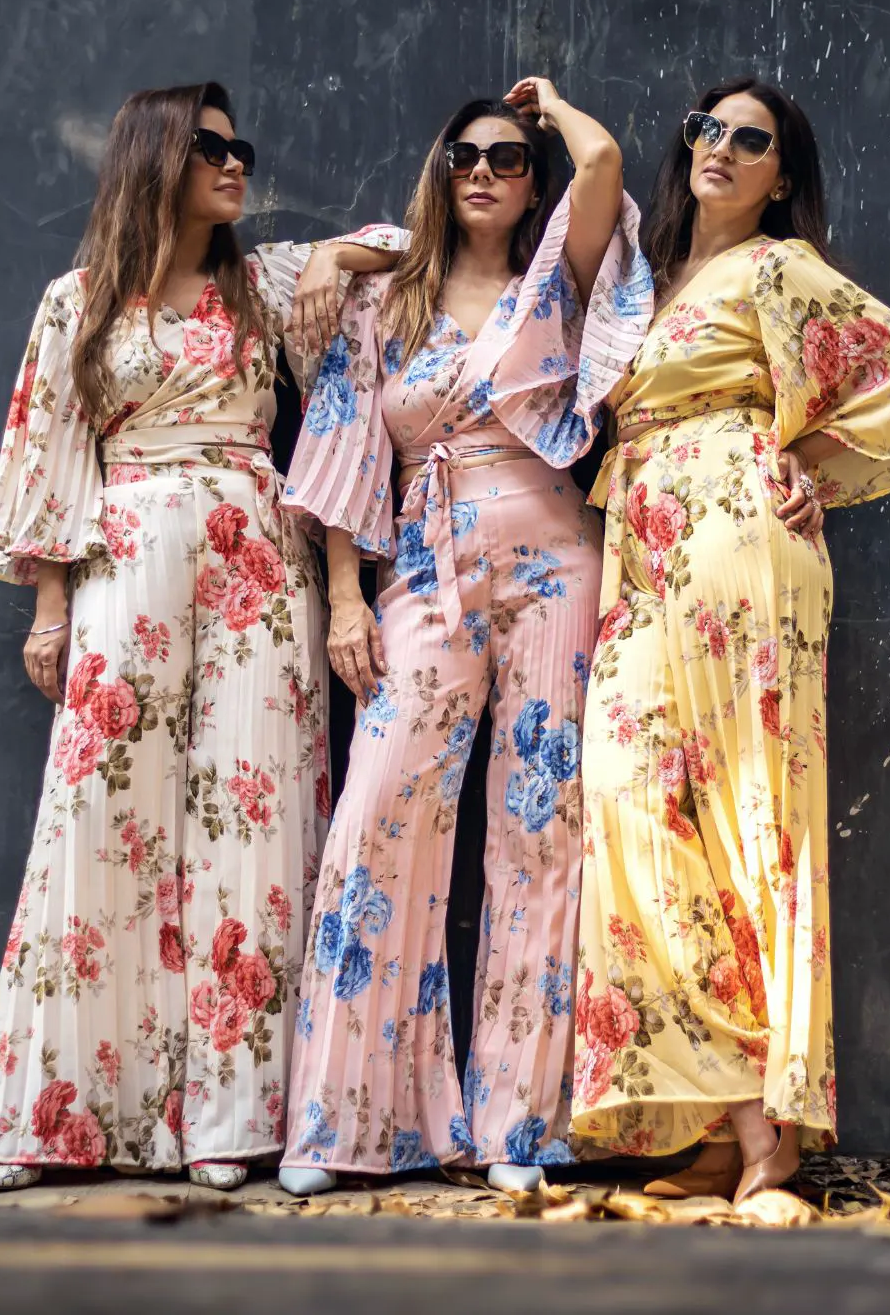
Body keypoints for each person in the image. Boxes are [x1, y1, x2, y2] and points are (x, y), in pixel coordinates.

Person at [0, 82, 399, 1191]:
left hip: (257, 560)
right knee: (98, 820)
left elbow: (402, 249)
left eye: (240, 145)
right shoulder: (79, 302)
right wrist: (50, 607)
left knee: (252, 814)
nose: (236, 162)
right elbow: (50, 451)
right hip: (124, 556)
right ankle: (52, 1117)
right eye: (211, 146)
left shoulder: (264, 282)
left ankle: (230, 1120)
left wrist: (337, 281)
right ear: (155, 156)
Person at [570, 76, 890, 1205]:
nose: (724, 150)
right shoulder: (644, 280)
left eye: (753, 141)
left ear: (779, 175)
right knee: (627, 802)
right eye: (710, 129)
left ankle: (766, 1138)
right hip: (641, 558)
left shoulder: (779, 270)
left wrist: (817, 473)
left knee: (754, 823)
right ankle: (723, 1102)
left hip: (741, 543)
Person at [276, 78, 653, 1195]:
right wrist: (347, 598)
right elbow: (344, 448)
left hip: (554, 560)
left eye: (507, 156)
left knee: (541, 833)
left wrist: (558, 107)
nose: (485, 170)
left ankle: (518, 1130)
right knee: (378, 820)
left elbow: (603, 170)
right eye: (466, 156)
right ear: (441, 175)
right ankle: (345, 1128)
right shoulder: (386, 296)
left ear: (532, 180)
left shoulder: (559, 286)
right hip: (424, 574)